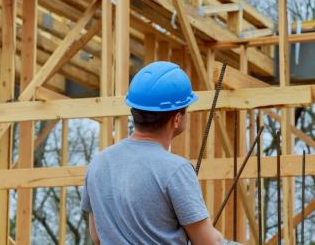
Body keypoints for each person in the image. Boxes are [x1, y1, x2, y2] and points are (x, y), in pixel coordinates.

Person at [81, 61, 223, 244]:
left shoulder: (98, 164)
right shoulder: (176, 169)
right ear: (177, 119)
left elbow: (97, 235)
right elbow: (208, 243)